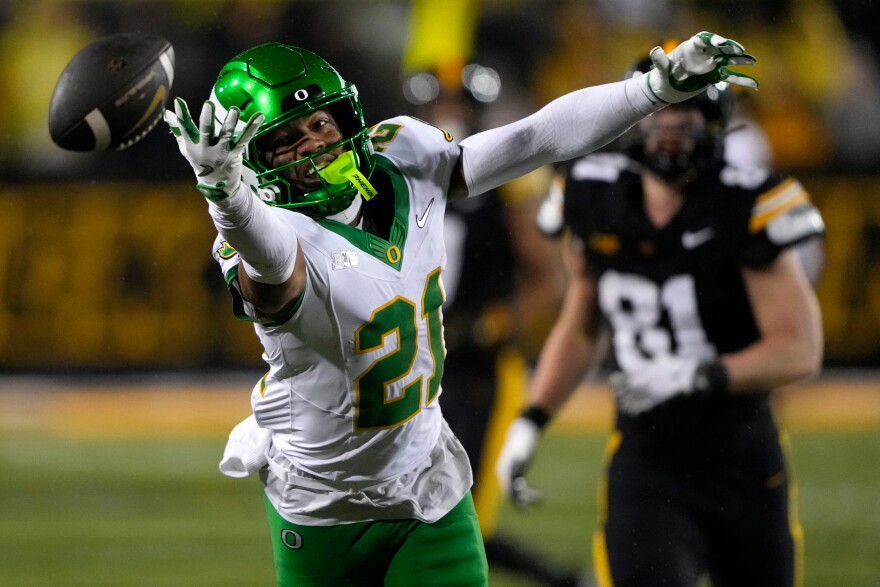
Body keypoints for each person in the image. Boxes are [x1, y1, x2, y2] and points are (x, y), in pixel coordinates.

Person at [163, 32, 758, 587]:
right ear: (252, 162)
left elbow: (532, 139)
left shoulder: (404, 156)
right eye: (287, 140)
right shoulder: (256, 230)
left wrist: (652, 91)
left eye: (320, 122)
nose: (315, 144)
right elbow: (275, 276)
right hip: (320, 501)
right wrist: (227, 196)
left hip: (426, 481)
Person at [495, 48, 824, 587]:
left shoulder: (745, 202)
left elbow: (799, 348)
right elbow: (581, 326)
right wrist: (532, 420)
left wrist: (701, 373)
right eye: (659, 112)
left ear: (715, 124)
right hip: (647, 459)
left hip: (740, 456)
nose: (670, 128)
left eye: (688, 114)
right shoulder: (593, 194)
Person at [403, 65, 582, 586]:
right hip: (410, 368)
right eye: (438, 108)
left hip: (476, 371)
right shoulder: (395, 173)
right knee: (402, 508)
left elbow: (550, 279)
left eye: (457, 107)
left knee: (462, 516)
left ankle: (566, 580)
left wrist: (493, 323)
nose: (447, 119)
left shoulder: (505, 175)